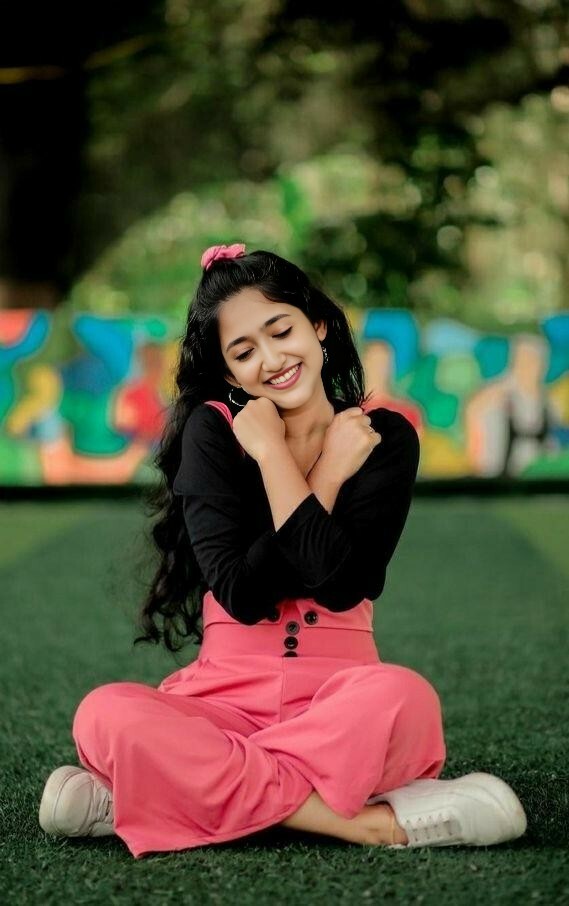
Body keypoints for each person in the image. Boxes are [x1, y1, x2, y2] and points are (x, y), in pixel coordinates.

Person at [38, 244, 527, 858]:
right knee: (104, 714)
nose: (272, 360)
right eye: (244, 351)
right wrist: (286, 460)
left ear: (317, 325)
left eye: (281, 331)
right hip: (222, 703)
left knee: (405, 700)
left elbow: (340, 583)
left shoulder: (382, 436)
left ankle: (164, 793)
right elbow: (241, 596)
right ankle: (366, 823)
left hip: (339, 701)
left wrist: (316, 463)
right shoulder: (215, 432)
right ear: (228, 373)